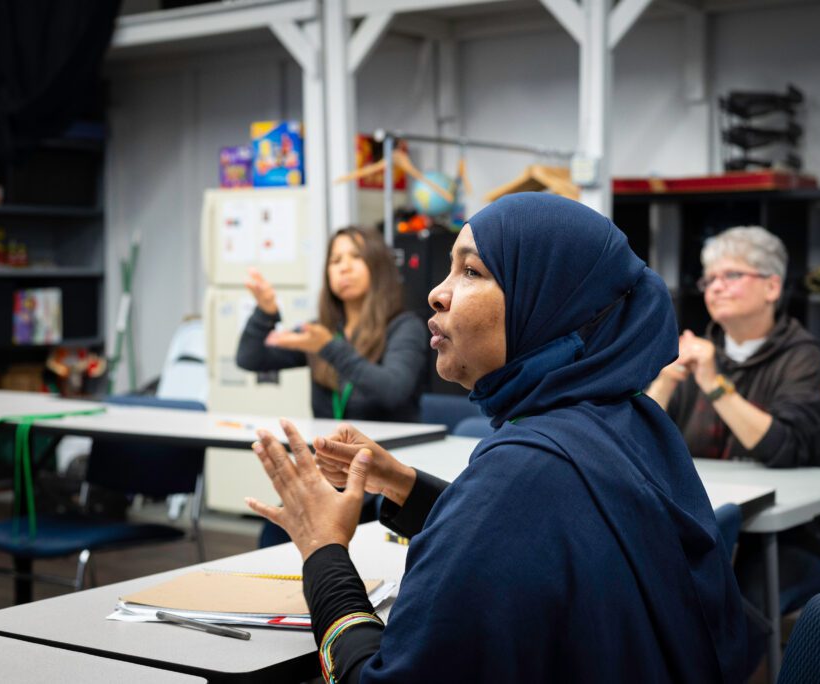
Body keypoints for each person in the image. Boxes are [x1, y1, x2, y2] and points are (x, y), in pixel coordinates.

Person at [246, 194, 747, 683]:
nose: (437, 293)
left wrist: (323, 550)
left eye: (472, 272)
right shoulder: (627, 419)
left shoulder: (521, 471)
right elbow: (527, 533)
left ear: (548, 304)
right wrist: (401, 482)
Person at [236, 226, 428, 546]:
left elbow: (394, 388)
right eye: (335, 259)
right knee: (274, 534)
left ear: (377, 266)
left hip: (382, 476)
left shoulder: (403, 327)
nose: (344, 266)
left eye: (355, 256)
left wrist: (330, 348)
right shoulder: (323, 331)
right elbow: (251, 358)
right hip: (333, 474)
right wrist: (266, 311)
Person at [646, 226, 820, 468]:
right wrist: (665, 381)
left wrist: (714, 385)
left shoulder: (800, 354)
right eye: (709, 279)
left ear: (772, 288)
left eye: (731, 275)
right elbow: (636, 442)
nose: (716, 287)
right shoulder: (696, 353)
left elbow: (788, 448)